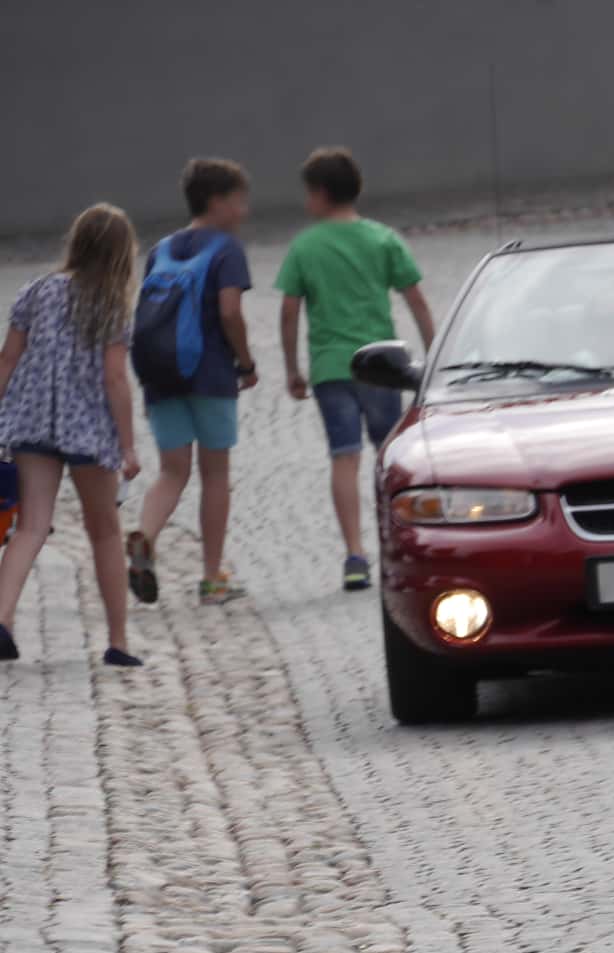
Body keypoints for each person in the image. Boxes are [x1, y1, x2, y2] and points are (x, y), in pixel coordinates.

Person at [276, 146, 434, 592]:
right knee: (390, 456)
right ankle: (395, 545)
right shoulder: (382, 239)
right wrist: (435, 354)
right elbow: (415, 298)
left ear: (321, 194)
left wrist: (292, 368)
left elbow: (289, 310)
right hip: (382, 367)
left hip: (330, 369)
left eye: (308, 193)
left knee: (343, 456)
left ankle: (354, 555)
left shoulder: (305, 246)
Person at [0, 205, 145, 666]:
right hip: (88, 430)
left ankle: (1, 620)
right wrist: (127, 444)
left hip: (33, 421)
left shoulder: (36, 291)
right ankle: (118, 642)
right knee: (103, 531)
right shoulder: (111, 303)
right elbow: (115, 379)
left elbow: (7, 359)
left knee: (31, 527)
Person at [127, 157, 257, 609]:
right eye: (239, 202)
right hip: (210, 373)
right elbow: (229, 313)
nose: (243, 211)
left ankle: (145, 534)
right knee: (215, 474)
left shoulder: (160, 250)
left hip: (160, 376)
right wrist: (246, 362)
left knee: (171, 471)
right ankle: (211, 580)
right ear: (217, 202)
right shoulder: (226, 249)